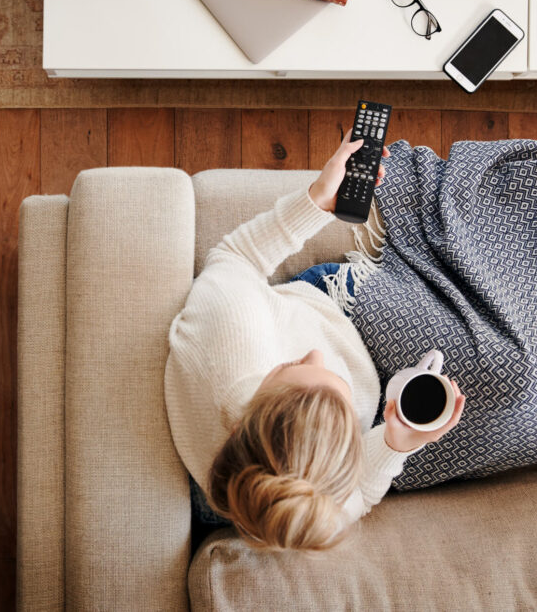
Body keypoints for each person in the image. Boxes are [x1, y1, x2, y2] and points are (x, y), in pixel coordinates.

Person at [163, 136, 467, 552]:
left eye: (291, 368)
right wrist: (394, 443)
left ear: (241, 422)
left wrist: (316, 202)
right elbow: (357, 499)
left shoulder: (230, 328)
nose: (317, 354)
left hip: (327, 305)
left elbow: (237, 256)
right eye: (331, 380)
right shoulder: (303, 506)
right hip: (376, 408)